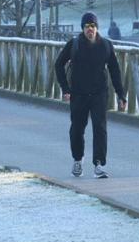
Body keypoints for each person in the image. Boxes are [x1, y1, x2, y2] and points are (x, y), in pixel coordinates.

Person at [54, 12, 126, 179]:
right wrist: (65, 88)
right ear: (83, 28)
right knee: (77, 129)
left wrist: (121, 94)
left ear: (97, 28)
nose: (90, 30)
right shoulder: (74, 44)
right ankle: (78, 160)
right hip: (78, 94)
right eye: (87, 27)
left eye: (92, 26)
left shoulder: (106, 46)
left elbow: (115, 71)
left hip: (99, 93)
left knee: (100, 129)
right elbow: (59, 64)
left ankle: (99, 164)